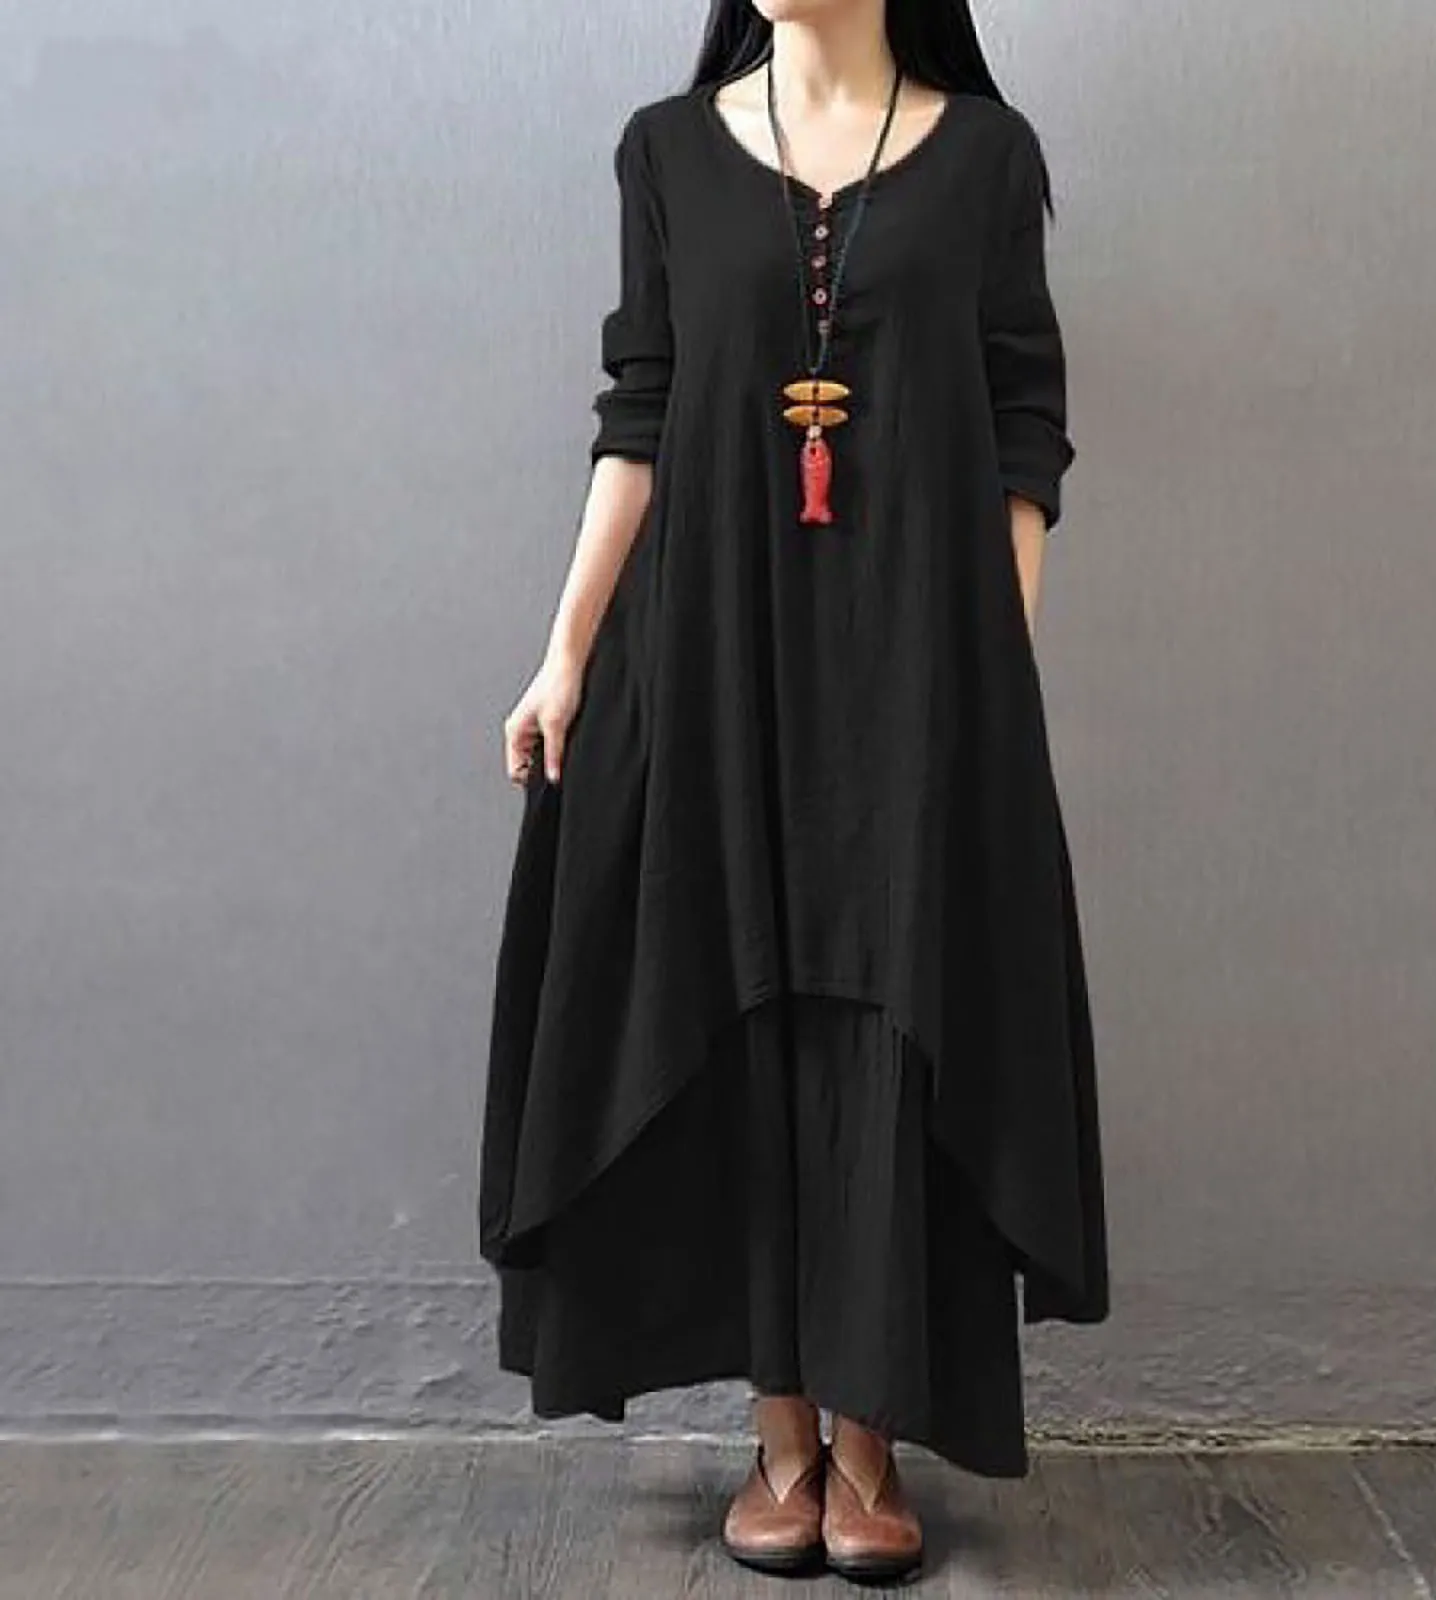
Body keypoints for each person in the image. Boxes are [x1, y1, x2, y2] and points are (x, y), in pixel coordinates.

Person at [478, 0, 1109, 1582]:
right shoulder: (666, 155)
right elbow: (639, 419)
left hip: (918, 671)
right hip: (712, 656)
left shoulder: (989, 161)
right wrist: (564, 657)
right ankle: (781, 1439)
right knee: (738, 997)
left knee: (891, 1013)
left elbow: (1024, 433)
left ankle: (871, 1440)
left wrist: (990, 668)